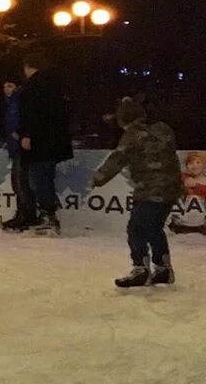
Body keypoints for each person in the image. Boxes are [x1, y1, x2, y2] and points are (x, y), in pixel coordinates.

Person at [89, 97, 180, 288]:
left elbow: (118, 159)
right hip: (172, 188)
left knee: (136, 228)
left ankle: (140, 268)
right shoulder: (164, 128)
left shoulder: (133, 134)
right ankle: (163, 268)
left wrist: (97, 178)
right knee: (154, 227)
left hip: (150, 189)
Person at [15, 53, 73, 236]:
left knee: (38, 179)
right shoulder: (56, 85)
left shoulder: (34, 87)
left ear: (28, 67)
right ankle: (48, 214)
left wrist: (27, 134)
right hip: (55, 140)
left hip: (40, 142)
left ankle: (48, 216)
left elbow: (33, 113)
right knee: (44, 177)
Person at [0, 79, 32, 229]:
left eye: (10, 85)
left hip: (19, 148)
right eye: (5, 86)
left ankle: (25, 215)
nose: (6, 89)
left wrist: (19, 135)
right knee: (19, 181)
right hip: (16, 147)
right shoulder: (11, 103)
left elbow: (18, 122)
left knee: (20, 182)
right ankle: (24, 213)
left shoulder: (18, 102)